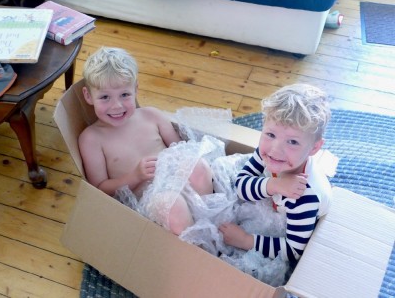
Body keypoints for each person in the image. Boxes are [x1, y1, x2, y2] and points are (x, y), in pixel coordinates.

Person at [78, 47, 213, 235]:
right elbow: (100, 189)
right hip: (149, 200)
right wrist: (135, 176)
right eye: (105, 97)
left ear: (136, 89)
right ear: (88, 96)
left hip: (179, 182)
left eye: (124, 95)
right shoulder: (91, 139)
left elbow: (181, 149)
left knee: (199, 166)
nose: (116, 105)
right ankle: (199, 246)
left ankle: (212, 220)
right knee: (172, 204)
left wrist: (178, 165)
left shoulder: (151, 115)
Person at [219, 84, 332, 262]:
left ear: (314, 148)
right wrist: (273, 185)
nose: (276, 149)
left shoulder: (305, 197)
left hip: (289, 227)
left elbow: (293, 251)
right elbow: (240, 186)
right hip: (272, 206)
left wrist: (246, 241)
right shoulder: (268, 153)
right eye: (270, 135)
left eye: (293, 142)